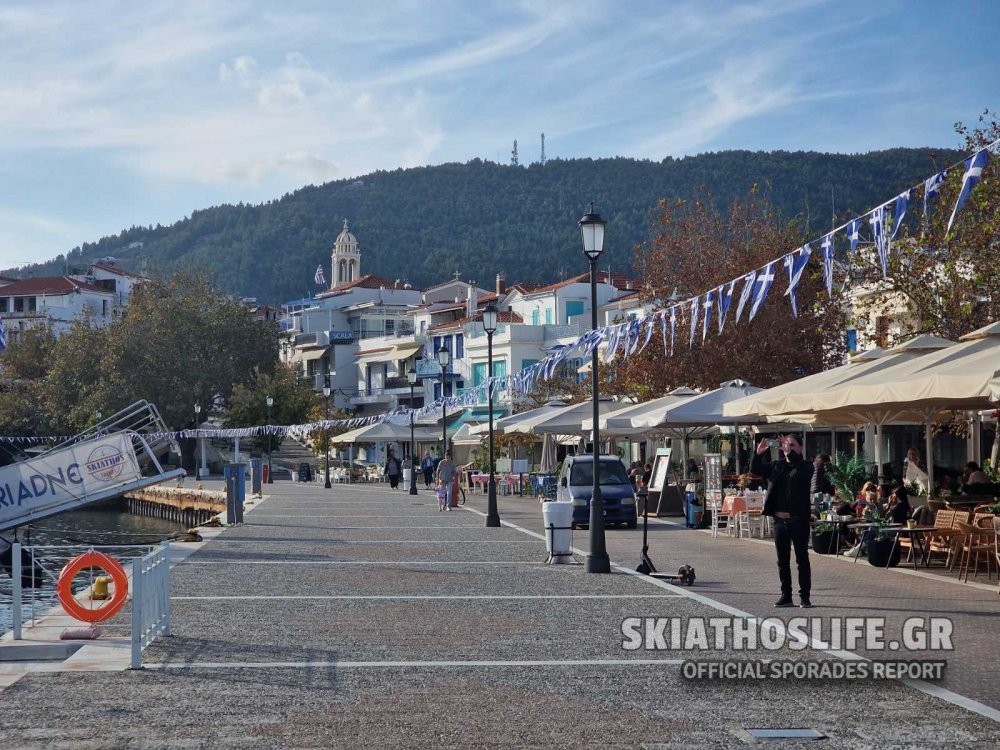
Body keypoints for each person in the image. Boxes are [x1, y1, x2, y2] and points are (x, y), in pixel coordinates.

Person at [752, 434, 814, 608]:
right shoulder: (777, 466)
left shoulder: (806, 466)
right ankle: (786, 595)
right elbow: (757, 470)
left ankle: (805, 596)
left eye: (793, 445)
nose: (789, 448)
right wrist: (758, 454)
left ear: (800, 448)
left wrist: (791, 454)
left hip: (798, 520)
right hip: (780, 521)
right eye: (786, 445)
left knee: (802, 559)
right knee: (782, 560)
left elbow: (804, 473)